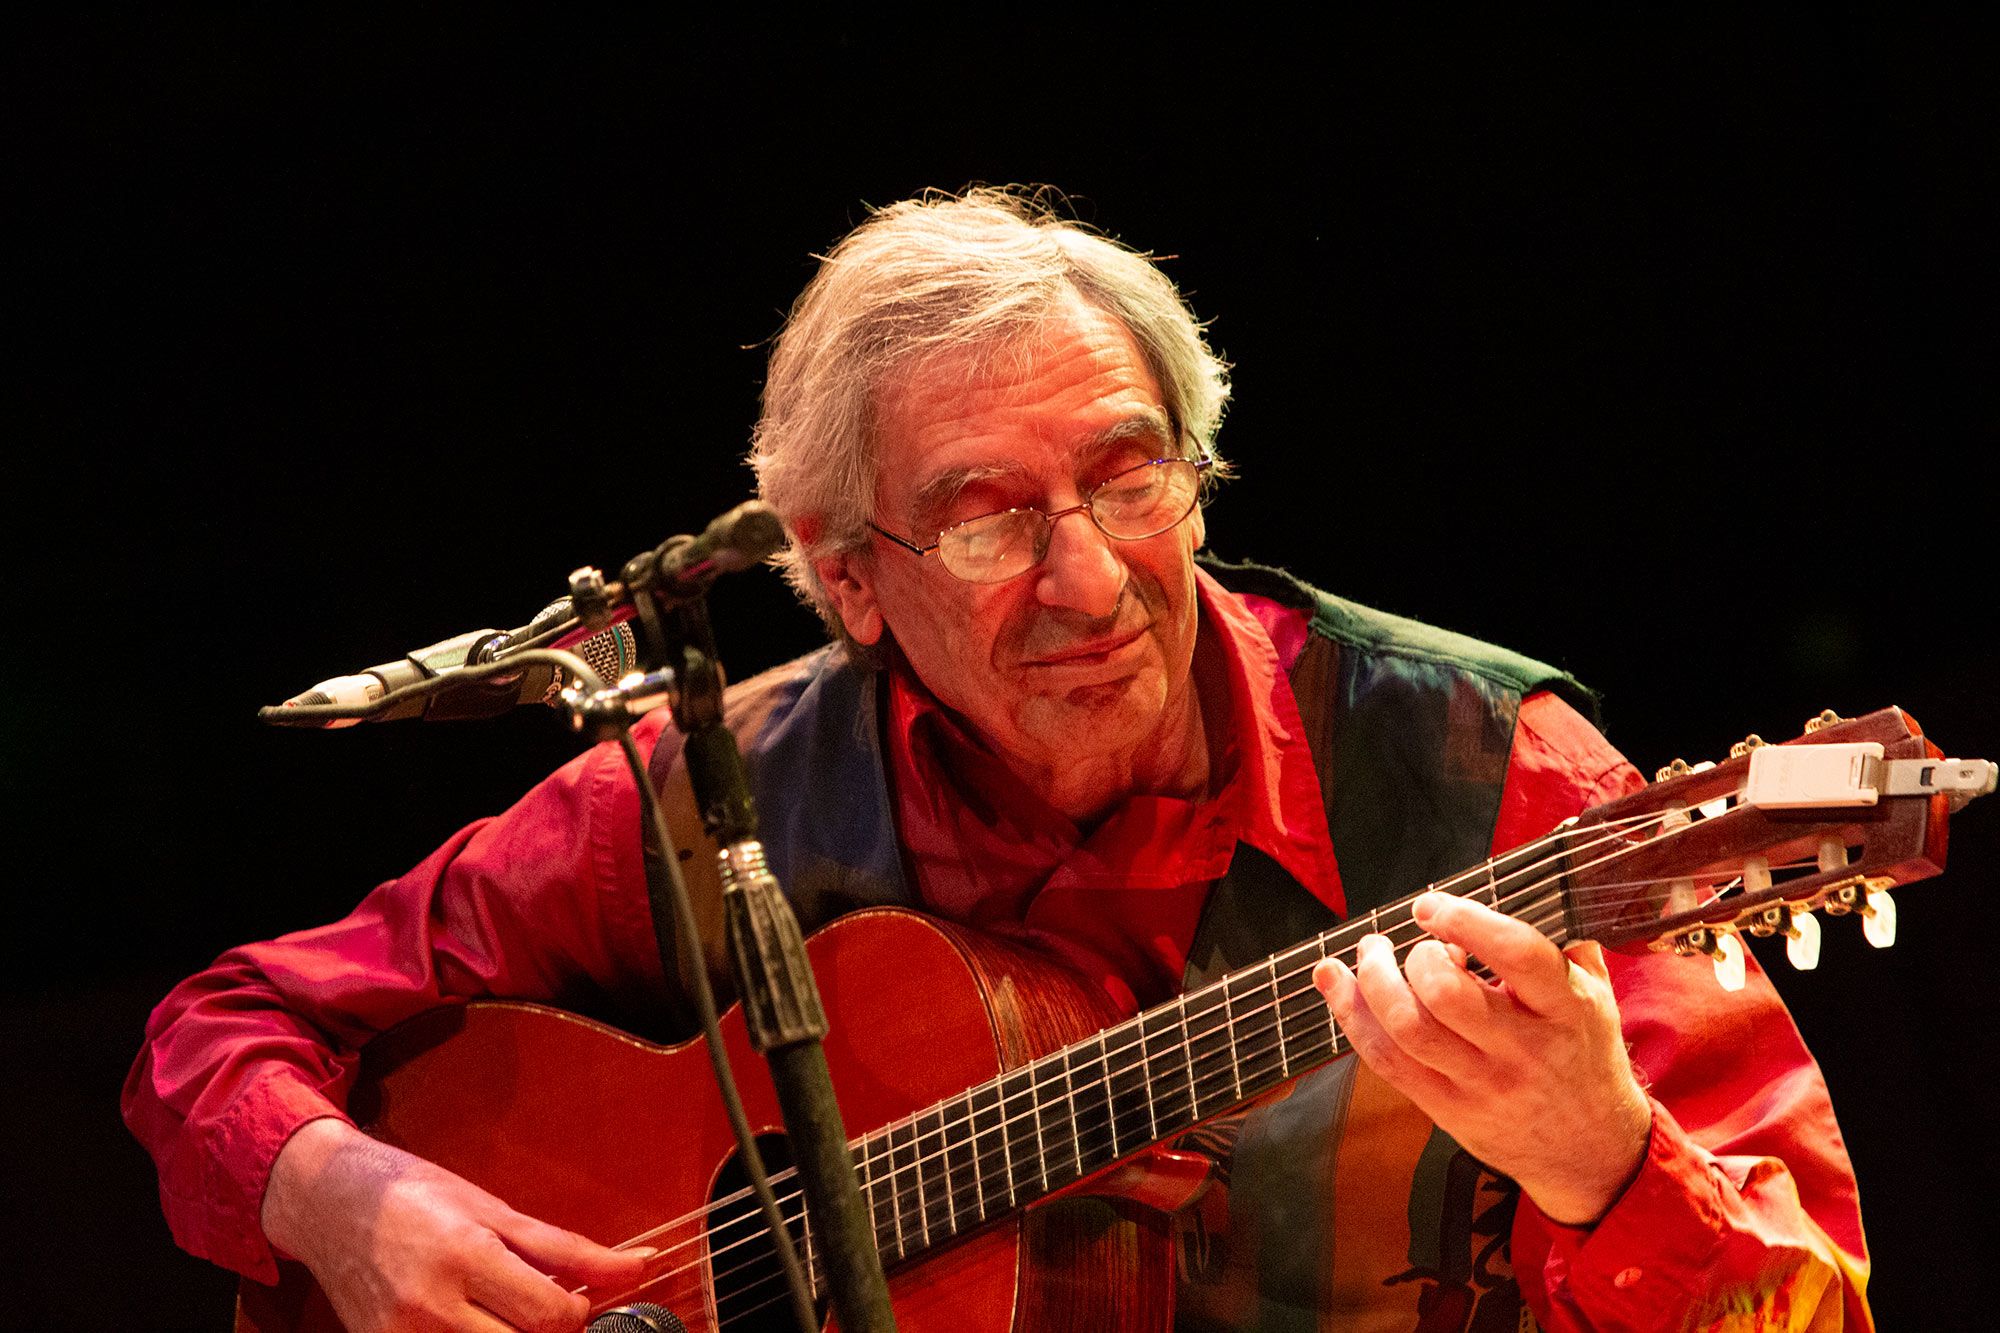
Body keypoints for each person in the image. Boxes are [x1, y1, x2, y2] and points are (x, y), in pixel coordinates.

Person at [126, 188, 1871, 1332]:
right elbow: (225, 1024)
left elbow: (1813, 1311)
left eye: (1131, 479)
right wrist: (334, 1191)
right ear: (847, 572)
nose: (1092, 578)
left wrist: (1607, 1158)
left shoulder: (1492, 775)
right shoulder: (707, 792)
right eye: (986, 522)